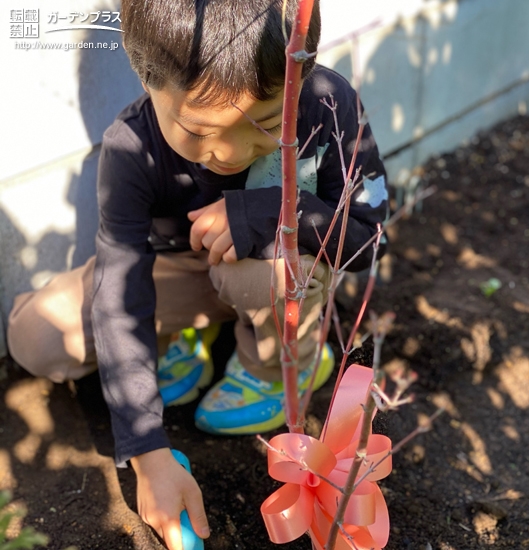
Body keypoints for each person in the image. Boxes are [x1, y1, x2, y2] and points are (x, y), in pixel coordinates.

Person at [7, 0, 388, 548]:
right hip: (181, 269)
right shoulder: (130, 147)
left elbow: (369, 242)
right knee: (38, 337)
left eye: (264, 126)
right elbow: (122, 291)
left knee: (259, 279)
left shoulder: (327, 103)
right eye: (199, 129)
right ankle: (190, 336)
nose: (229, 153)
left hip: (271, 267)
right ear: (147, 77)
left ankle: (275, 364)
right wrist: (147, 452)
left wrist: (270, 210)